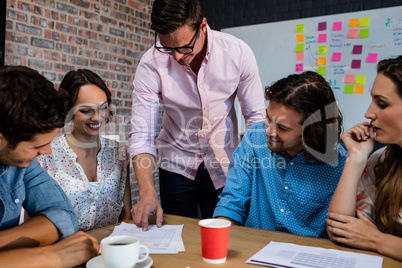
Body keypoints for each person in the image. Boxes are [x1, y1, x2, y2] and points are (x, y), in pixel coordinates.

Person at [128, 0, 265, 230]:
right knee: (178, 238)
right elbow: (141, 135)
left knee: (225, 239)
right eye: (167, 48)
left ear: (202, 26)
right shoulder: (151, 63)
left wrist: (251, 176)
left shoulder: (238, 53)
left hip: (225, 165)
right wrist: (147, 193)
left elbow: (255, 119)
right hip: (176, 164)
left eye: (183, 48)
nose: (177, 57)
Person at [213, 71, 347, 238]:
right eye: (268, 119)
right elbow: (233, 201)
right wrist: (219, 237)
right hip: (253, 249)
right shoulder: (255, 137)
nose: (268, 132)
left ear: (313, 130)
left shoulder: (341, 163)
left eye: (282, 128)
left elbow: (343, 230)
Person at [0, 65, 99, 266]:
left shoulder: (22, 163)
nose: (47, 152)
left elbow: (63, 217)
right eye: (37, 146)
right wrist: (52, 255)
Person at [327, 56, 402, 261]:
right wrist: (356, 157)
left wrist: (376, 240)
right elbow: (340, 229)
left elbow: (366, 237)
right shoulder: (382, 160)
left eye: (382, 104)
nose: (368, 113)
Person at [38, 69, 132, 231]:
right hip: (63, 252)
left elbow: (126, 215)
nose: (97, 117)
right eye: (85, 110)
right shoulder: (46, 154)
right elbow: (34, 221)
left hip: (109, 249)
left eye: (103, 108)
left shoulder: (119, 152)